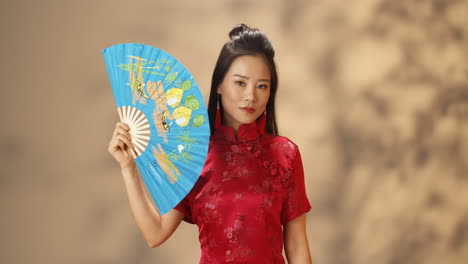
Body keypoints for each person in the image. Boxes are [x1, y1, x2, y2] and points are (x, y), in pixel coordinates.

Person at [108, 24, 312, 264]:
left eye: (262, 86)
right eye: (240, 83)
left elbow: (297, 245)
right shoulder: (193, 154)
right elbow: (155, 233)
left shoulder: (285, 154)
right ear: (219, 84)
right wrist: (128, 168)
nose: (251, 96)